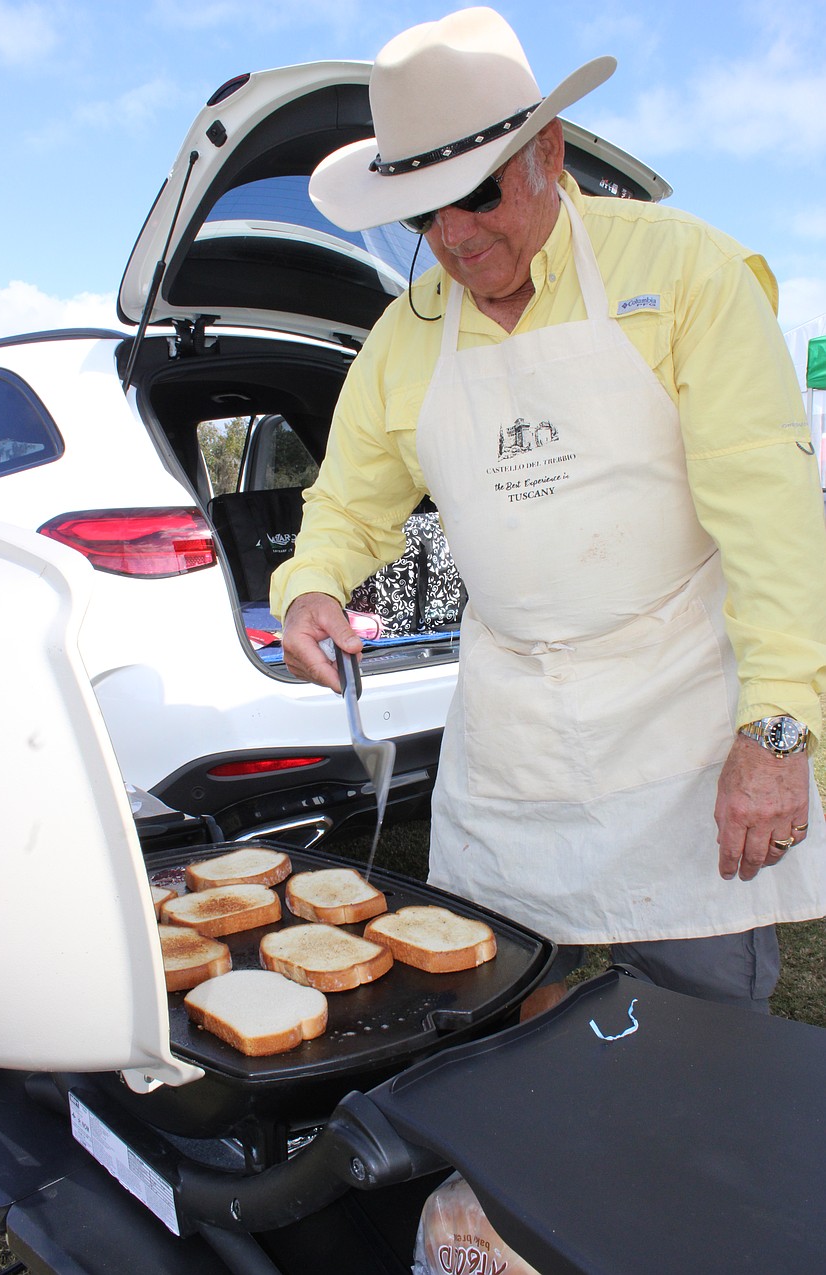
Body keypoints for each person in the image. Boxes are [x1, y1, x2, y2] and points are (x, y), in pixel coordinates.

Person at [270, 6, 826, 1013]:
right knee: (496, 1008)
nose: (453, 238)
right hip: (511, 733)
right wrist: (311, 583)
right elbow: (348, 503)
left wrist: (777, 735)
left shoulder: (685, 271)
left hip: (681, 718)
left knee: (699, 1036)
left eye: (474, 196)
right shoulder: (404, 337)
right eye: (422, 216)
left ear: (549, 152)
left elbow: (771, 518)